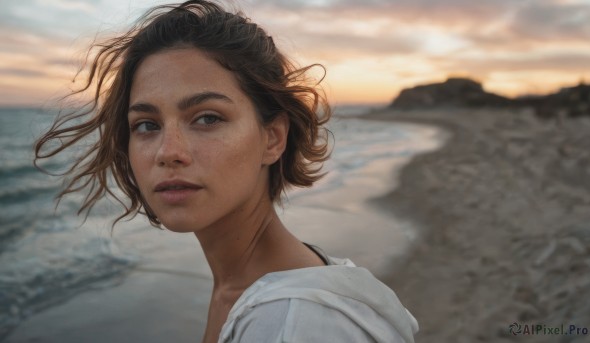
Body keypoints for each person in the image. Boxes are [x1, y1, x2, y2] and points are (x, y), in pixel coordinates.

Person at [34, 1, 418, 342]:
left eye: (207, 118)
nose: (169, 153)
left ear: (272, 138)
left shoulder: (297, 323)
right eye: (147, 125)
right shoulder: (246, 290)